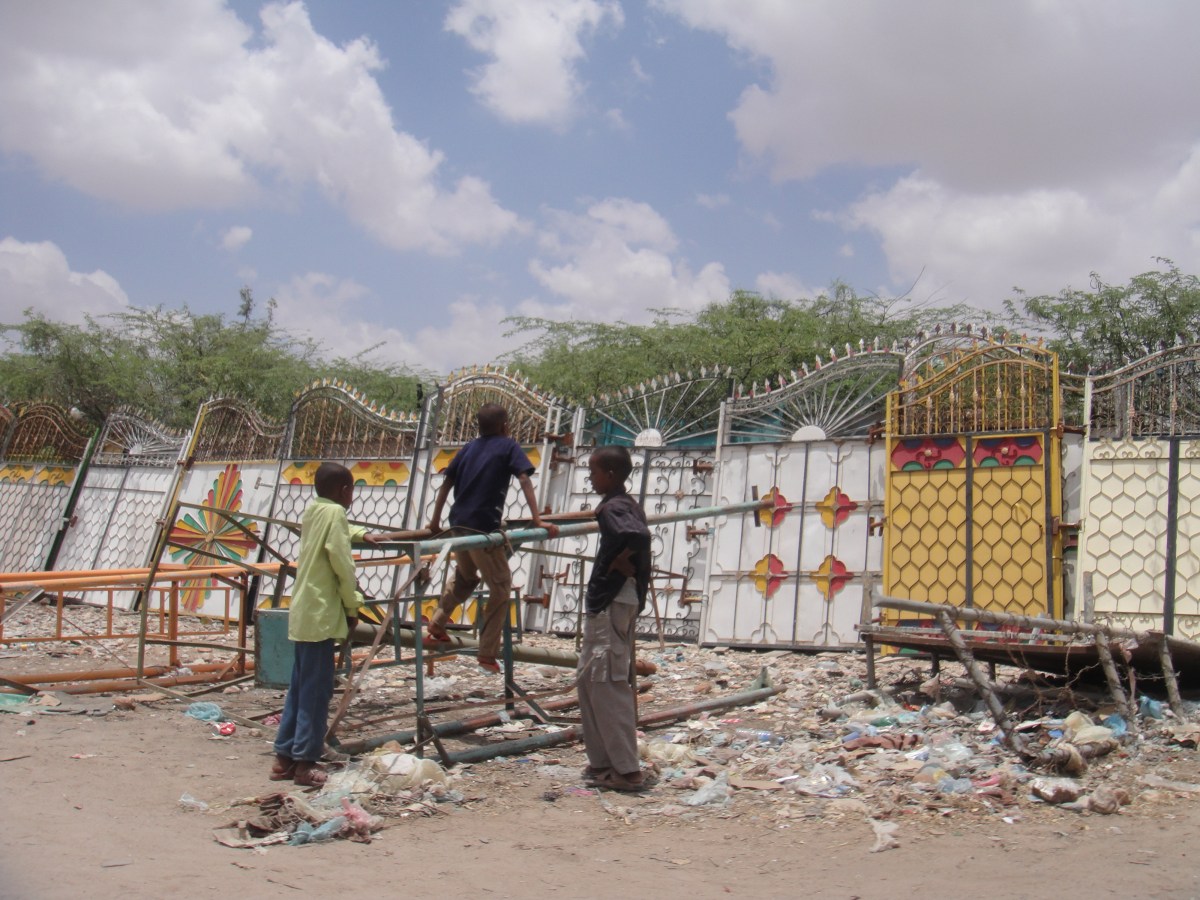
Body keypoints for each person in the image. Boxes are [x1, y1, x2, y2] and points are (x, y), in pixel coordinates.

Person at [270, 462, 383, 787]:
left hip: (305, 611)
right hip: (321, 614)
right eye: (352, 491)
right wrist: (354, 603)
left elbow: (337, 532)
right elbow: (342, 562)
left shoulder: (315, 511)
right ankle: (305, 762)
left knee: (300, 688)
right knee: (316, 693)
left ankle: (283, 758)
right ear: (344, 491)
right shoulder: (334, 514)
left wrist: (362, 533)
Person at [425, 403, 558, 673]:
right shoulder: (508, 446)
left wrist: (436, 521)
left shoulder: (469, 448)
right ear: (505, 425)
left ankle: (437, 623)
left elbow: (447, 483)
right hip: (482, 530)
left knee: (467, 577)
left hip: (458, 525)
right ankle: (487, 652)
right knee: (500, 586)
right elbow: (524, 480)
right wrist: (538, 519)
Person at [577, 445, 652, 793]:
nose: (590, 478)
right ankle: (604, 762)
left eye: (593, 472)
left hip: (612, 600)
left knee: (607, 682)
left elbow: (637, 535)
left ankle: (627, 769)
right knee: (590, 680)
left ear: (609, 473)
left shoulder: (616, 506)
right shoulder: (620, 504)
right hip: (608, 602)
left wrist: (620, 562)